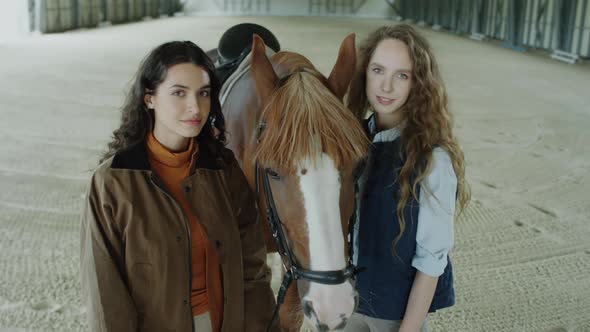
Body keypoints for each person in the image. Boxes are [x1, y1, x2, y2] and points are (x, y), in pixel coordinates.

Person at [80, 41, 279, 332]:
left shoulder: (224, 170)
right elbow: (104, 289)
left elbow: (252, 268)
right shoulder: (112, 182)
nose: (194, 107)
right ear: (149, 98)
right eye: (178, 93)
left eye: (204, 93)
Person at [345, 24, 470, 332]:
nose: (386, 86)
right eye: (378, 70)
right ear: (365, 73)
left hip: (395, 316)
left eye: (402, 75)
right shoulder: (349, 139)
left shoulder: (433, 159)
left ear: (419, 84)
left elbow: (431, 262)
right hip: (344, 306)